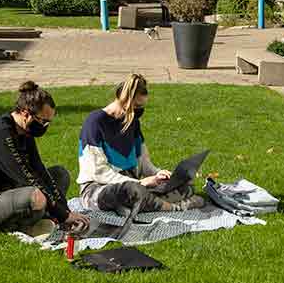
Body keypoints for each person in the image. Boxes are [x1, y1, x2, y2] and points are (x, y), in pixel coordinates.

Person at [0, 81, 89, 235]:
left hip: (6, 192)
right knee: (35, 196)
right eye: (43, 121)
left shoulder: (24, 131)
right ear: (25, 114)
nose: (45, 127)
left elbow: (39, 170)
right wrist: (64, 215)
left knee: (60, 174)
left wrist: (65, 210)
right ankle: (27, 225)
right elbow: (28, 177)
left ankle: (41, 219)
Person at [77, 73, 204, 215]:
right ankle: (175, 207)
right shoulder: (95, 122)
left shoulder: (133, 122)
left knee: (186, 185)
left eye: (142, 106)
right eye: (137, 106)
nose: (139, 110)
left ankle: (136, 207)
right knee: (132, 191)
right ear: (124, 100)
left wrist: (158, 174)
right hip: (99, 189)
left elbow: (143, 162)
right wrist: (140, 183)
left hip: (132, 183)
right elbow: (99, 172)